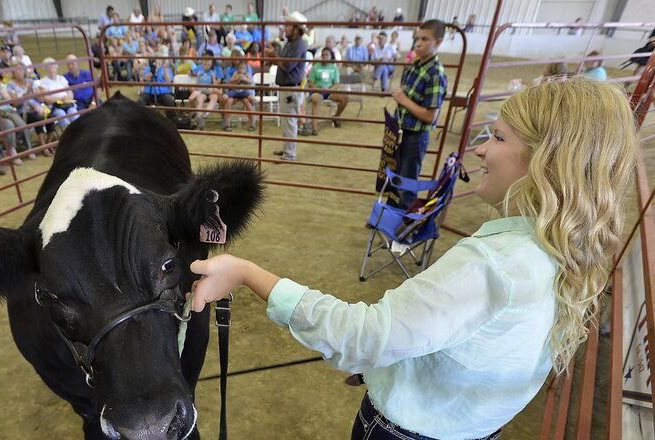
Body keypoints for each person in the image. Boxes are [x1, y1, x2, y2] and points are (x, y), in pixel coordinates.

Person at [188, 77, 638, 440]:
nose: (480, 149)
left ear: (545, 160)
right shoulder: (564, 247)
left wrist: (247, 271)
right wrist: (396, 367)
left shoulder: (492, 263)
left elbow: (364, 337)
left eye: (497, 137)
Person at [389, 19, 447, 209]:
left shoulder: (435, 74)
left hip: (415, 136)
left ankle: (405, 228)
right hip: (400, 130)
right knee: (395, 175)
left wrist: (404, 100)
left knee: (407, 181)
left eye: (425, 39)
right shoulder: (415, 65)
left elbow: (431, 116)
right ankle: (392, 215)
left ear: (437, 43)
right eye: (417, 38)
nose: (418, 43)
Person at [269, 12, 309, 161]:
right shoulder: (292, 43)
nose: (285, 28)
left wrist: (274, 57)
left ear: (297, 29)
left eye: (288, 25)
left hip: (291, 87)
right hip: (287, 86)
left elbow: (287, 65)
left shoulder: (299, 44)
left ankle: (290, 153)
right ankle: (287, 149)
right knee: (287, 120)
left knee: (290, 120)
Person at [303, 48, 347, 135]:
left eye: (327, 55)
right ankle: (315, 128)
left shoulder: (334, 68)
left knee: (345, 98)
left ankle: (336, 116)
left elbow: (337, 83)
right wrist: (319, 89)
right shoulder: (315, 67)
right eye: (323, 55)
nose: (324, 57)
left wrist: (330, 90)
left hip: (330, 91)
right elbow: (311, 83)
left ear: (331, 57)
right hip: (317, 90)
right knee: (316, 99)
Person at [5, 57, 43, 158]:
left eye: (21, 70)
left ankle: (44, 145)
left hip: (34, 109)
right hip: (21, 111)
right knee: (37, 118)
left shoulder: (31, 81)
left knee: (43, 116)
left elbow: (40, 98)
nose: (19, 72)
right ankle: (36, 147)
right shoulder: (10, 85)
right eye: (16, 70)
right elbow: (15, 103)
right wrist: (26, 94)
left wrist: (37, 97)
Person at [35, 57, 79, 129]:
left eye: (53, 66)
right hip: (55, 107)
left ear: (56, 67)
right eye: (48, 67)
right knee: (61, 115)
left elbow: (70, 93)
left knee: (73, 113)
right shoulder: (43, 82)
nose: (51, 69)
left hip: (67, 104)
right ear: (45, 69)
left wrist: (68, 97)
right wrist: (62, 97)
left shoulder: (62, 78)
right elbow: (47, 99)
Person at [221, 59, 256, 131]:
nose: (241, 70)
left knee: (248, 101)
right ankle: (226, 124)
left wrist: (245, 79)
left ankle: (253, 124)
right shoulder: (235, 73)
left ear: (245, 69)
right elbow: (230, 81)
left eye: (243, 68)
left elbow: (251, 82)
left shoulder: (246, 74)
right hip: (235, 92)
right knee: (227, 100)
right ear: (237, 68)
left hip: (244, 93)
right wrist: (236, 79)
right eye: (240, 68)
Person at [188, 55, 222, 130]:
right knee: (199, 100)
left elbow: (215, 85)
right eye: (205, 63)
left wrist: (213, 78)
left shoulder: (212, 72)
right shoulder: (200, 71)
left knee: (214, 97)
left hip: (210, 90)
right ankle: (200, 119)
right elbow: (197, 84)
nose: (206, 65)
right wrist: (197, 77)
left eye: (208, 64)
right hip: (202, 91)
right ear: (203, 63)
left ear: (211, 64)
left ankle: (205, 115)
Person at [137, 55, 176, 120]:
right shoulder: (148, 69)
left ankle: (171, 121)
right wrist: (147, 76)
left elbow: (169, 81)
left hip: (163, 92)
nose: (157, 62)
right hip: (149, 92)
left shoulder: (166, 69)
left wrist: (164, 69)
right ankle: (141, 120)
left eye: (159, 60)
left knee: (170, 101)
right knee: (140, 101)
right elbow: (142, 81)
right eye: (156, 60)